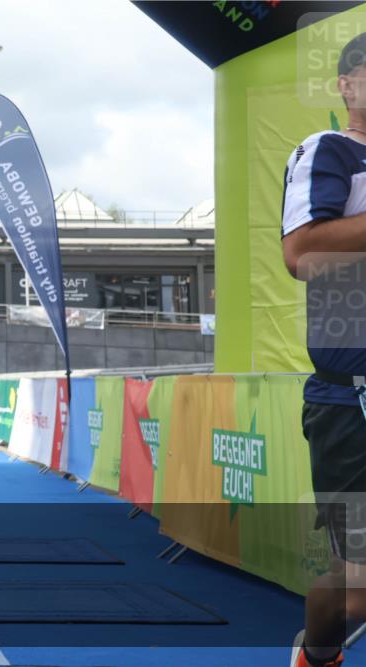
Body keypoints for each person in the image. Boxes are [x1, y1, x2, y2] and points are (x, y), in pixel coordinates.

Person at [283, 33, 366, 667]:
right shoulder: (329, 149)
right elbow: (302, 252)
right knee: (359, 588)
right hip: (352, 404)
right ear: (346, 85)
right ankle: (317, 654)